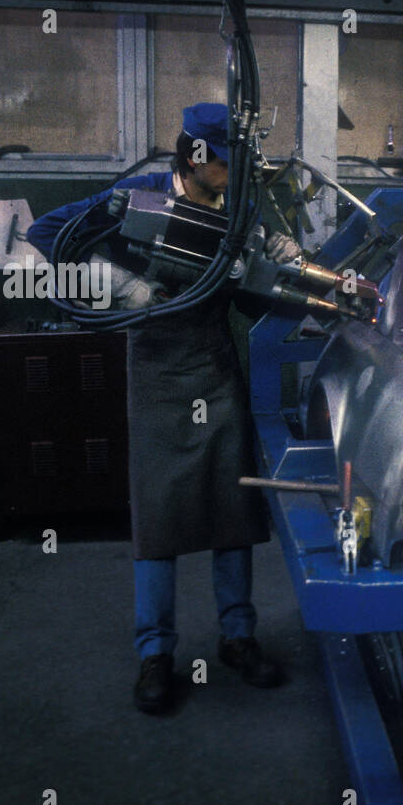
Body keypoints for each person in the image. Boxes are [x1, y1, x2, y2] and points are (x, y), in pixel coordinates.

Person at [27, 102, 300, 714]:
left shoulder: (238, 209)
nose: (232, 176)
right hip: (155, 363)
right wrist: (123, 288)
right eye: (224, 166)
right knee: (159, 515)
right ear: (193, 159)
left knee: (234, 509)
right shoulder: (138, 195)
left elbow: (257, 294)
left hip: (213, 362)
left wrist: (278, 259)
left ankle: (238, 637)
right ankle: (155, 653)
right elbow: (45, 232)